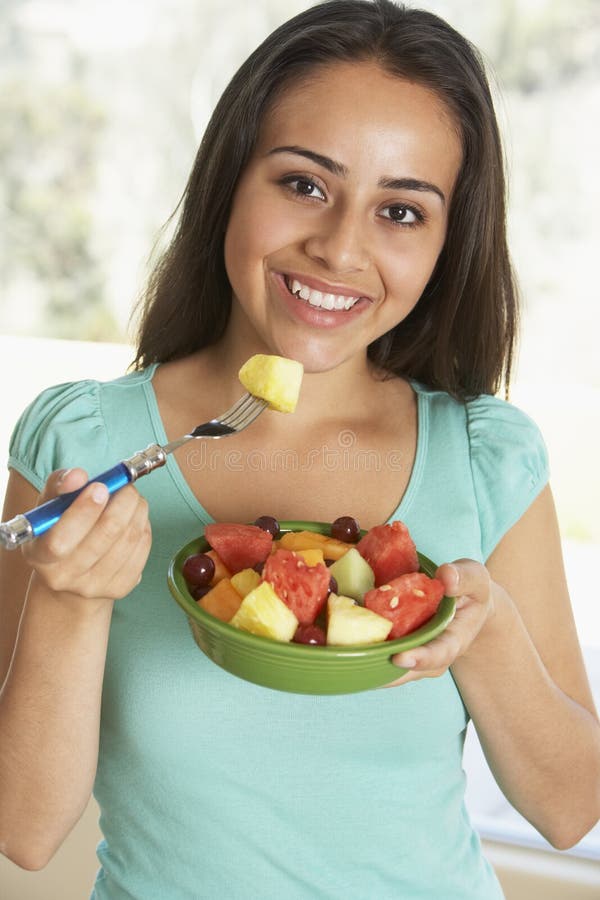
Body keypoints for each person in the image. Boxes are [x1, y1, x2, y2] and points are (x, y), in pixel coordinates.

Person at [1, 1, 599, 897]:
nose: (339, 248)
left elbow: (570, 809)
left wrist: (489, 633)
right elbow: (24, 831)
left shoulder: (484, 457)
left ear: (446, 242)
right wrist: (69, 601)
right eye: (305, 184)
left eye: (401, 210)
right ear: (231, 182)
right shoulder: (86, 443)